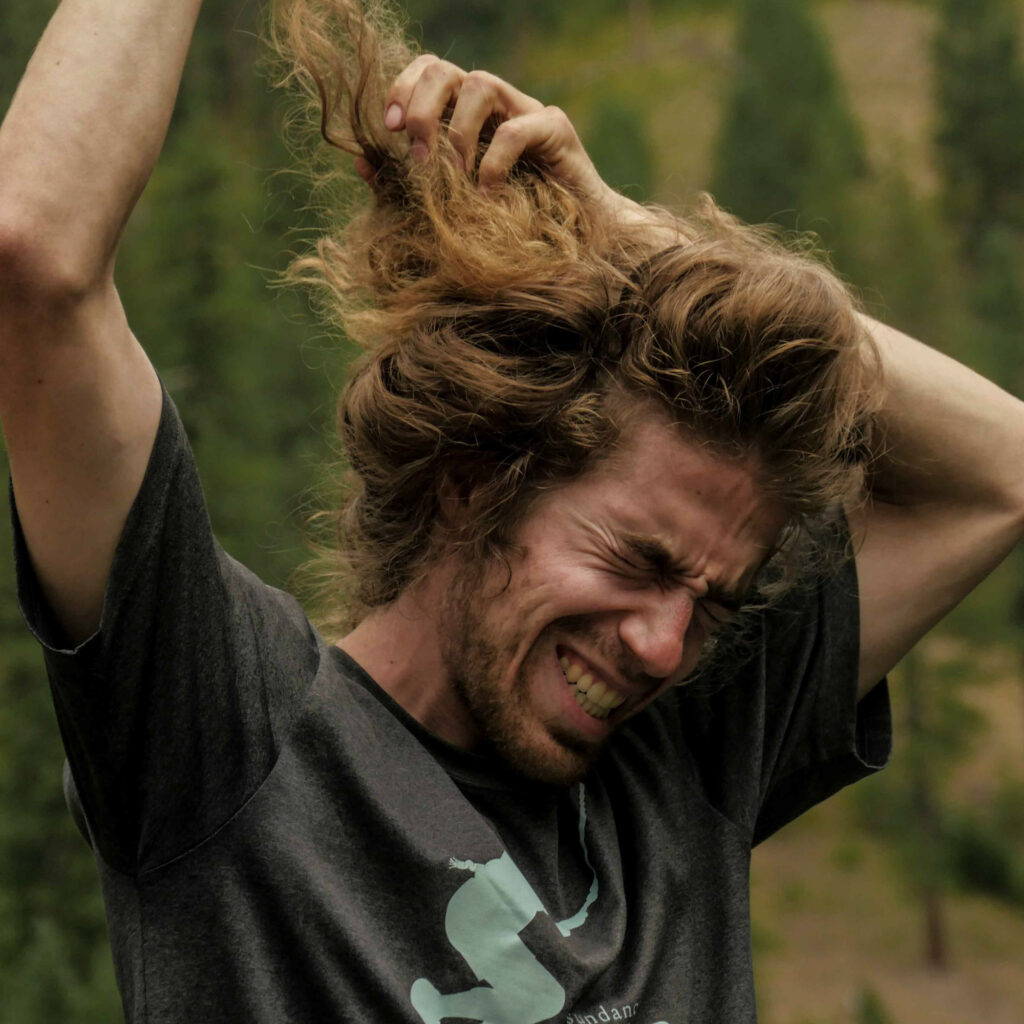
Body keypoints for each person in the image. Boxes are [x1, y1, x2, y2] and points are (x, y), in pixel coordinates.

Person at [0, 0, 1021, 1021]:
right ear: (474, 480)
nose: (666, 647)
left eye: (713, 606)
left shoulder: (685, 761)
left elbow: (1000, 472)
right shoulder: (231, 741)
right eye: (639, 559)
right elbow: (34, 253)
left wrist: (632, 237)